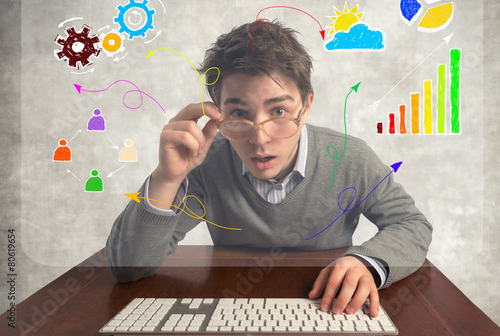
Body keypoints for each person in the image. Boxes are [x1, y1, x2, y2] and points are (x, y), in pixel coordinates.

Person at [106, 20, 432, 318]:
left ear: (305, 109)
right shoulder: (205, 165)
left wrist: (366, 261)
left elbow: (411, 224)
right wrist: (167, 178)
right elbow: (128, 269)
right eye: (238, 113)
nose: (259, 138)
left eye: (278, 110)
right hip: (231, 308)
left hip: (331, 310)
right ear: (217, 115)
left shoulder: (351, 158)